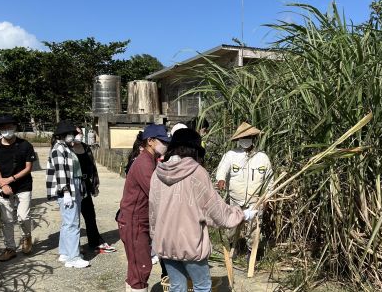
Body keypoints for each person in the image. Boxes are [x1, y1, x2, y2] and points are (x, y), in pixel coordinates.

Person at [149, 128, 257, 292]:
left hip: (165, 242)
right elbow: (216, 211)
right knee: (202, 286)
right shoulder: (197, 173)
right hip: (190, 244)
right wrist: (242, 214)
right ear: (194, 150)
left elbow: (153, 212)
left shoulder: (157, 173)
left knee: (177, 287)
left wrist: (154, 238)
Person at [117, 124, 170, 292]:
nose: (165, 145)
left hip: (140, 220)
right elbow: (156, 193)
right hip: (134, 221)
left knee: (137, 268)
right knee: (141, 268)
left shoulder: (151, 160)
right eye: (162, 141)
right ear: (150, 141)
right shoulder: (144, 163)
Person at [215, 122, 273, 257]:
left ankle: (251, 253)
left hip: (255, 200)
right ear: (238, 139)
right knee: (232, 226)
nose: (245, 140)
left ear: (253, 138)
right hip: (235, 198)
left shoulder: (262, 157)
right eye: (243, 138)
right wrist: (221, 180)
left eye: (249, 137)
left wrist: (267, 197)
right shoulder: (231, 155)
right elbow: (222, 169)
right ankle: (232, 246)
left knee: (254, 227)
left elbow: (270, 179)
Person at [0, 114, 36, 261]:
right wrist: (2, 183)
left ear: (15, 127)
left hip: (23, 185)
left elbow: (28, 168)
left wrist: (10, 179)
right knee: (7, 219)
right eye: (3, 128)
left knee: (23, 216)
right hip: (3, 187)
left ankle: (27, 236)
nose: (6, 130)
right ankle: (10, 248)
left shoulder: (25, 145)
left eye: (9, 127)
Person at [46, 120, 89, 268]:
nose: (73, 136)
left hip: (74, 186)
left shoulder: (66, 148)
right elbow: (60, 173)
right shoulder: (58, 149)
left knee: (67, 222)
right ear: (64, 135)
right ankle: (73, 257)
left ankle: (65, 252)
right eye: (71, 133)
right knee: (72, 223)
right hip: (68, 188)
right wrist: (65, 192)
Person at [72, 127, 115, 253]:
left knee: (90, 214)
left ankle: (94, 241)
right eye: (76, 133)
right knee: (74, 217)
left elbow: (93, 166)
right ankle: (75, 246)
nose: (79, 135)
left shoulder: (86, 148)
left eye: (80, 133)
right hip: (74, 185)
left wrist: (94, 184)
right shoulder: (67, 149)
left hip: (86, 184)